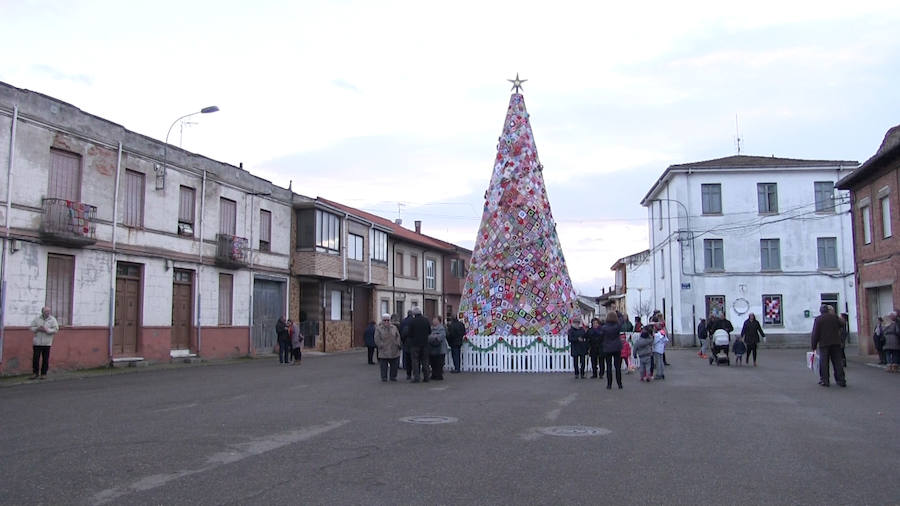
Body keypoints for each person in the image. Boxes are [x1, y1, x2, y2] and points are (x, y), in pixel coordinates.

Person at [810, 304, 846, 387]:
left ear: (821, 311)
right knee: (837, 362)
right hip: (836, 343)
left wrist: (814, 346)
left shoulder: (818, 319)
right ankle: (841, 380)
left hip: (824, 344)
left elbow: (815, 333)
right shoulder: (834, 317)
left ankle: (825, 380)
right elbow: (843, 323)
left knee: (824, 363)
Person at [29, 306, 59, 379]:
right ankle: (35, 373)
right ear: (42, 312)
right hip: (37, 342)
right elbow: (31, 327)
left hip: (47, 343)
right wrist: (37, 328)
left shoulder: (52, 319)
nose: (47, 313)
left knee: (45, 359)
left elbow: (56, 329)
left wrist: (47, 330)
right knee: (36, 358)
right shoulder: (37, 319)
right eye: (46, 311)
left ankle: (44, 373)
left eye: (49, 311)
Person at [406, 307, 432, 383]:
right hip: (425, 344)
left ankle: (416, 377)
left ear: (414, 314)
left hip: (415, 344)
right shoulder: (426, 320)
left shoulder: (412, 322)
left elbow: (409, 333)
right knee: (425, 361)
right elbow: (429, 332)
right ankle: (426, 377)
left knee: (415, 361)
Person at [374, 313, 402, 382]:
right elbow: (377, 338)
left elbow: (398, 336)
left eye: (388, 320)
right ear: (382, 321)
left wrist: (398, 344)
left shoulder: (394, 328)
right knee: (383, 365)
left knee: (394, 365)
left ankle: (393, 376)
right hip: (384, 350)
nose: (386, 322)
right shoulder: (379, 329)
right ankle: (384, 377)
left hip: (394, 349)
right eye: (385, 320)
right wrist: (381, 345)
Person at [601, 312, 623, 389]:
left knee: (609, 366)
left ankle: (609, 384)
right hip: (616, 347)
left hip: (607, 348)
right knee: (617, 367)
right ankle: (619, 384)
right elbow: (622, 318)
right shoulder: (617, 326)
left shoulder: (604, 327)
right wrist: (616, 311)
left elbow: (601, 337)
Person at [427, 316, 448, 380]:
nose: (433, 321)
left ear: (439, 321)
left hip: (440, 349)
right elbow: (428, 336)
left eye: (435, 320)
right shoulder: (430, 328)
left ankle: (439, 375)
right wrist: (433, 337)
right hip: (432, 349)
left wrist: (433, 337)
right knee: (433, 363)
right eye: (433, 320)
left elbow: (441, 337)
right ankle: (434, 374)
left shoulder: (442, 328)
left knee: (439, 363)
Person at [399, 310, 414, 378]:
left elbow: (401, 330)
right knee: (413, 356)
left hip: (406, 341)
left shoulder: (403, 321)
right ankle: (413, 369)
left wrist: (402, 339)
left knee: (406, 355)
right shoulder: (414, 321)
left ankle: (405, 367)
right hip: (413, 342)